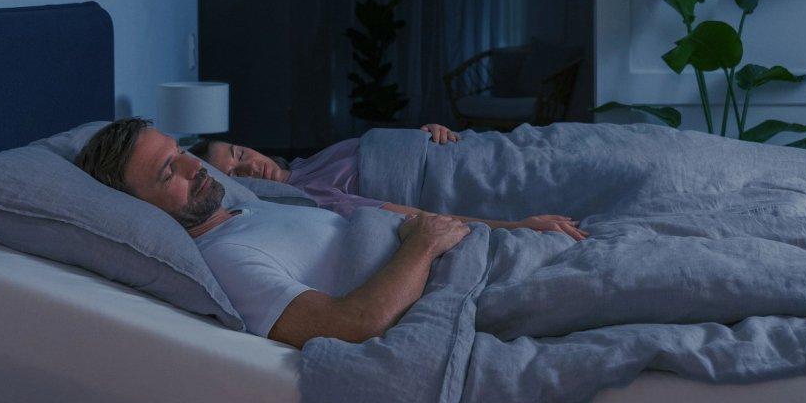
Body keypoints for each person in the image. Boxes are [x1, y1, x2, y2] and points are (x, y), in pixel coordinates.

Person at [74, 119, 583, 349]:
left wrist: (511, 227)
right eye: (169, 174)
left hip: (468, 249)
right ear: (136, 208)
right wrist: (425, 244)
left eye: (181, 151)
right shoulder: (226, 261)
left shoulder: (254, 207)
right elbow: (352, 326)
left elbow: (387, 214)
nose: (194, 168)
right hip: (463, 283)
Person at [188, 124, 583, 238]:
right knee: (581, 163)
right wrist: (518, 227)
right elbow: (410, 216)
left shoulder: (306, 163)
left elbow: (382, 149)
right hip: (471, 178)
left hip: (472, 147)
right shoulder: (309, 197)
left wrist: (425, 131)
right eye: (237, 175)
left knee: (563, 142)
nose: (250, 167)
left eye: (240, 154)